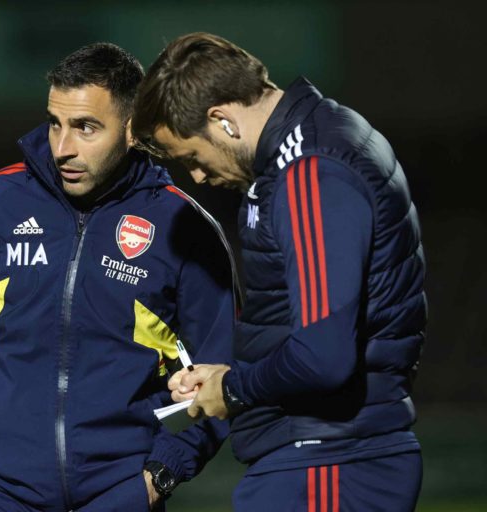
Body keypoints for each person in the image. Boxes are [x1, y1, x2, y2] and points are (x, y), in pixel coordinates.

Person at [0, 42, 238, 511]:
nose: (63, 148)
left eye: (86, 128)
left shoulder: (185, 228)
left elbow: (225, 372)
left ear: (133, 129)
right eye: (56, 123)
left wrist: (159, 475)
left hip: (120, 496)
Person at [132, 32, 427, 511]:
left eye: (191, 157)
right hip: (326, 461)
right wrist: (230, 374)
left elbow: (323, 356)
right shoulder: (316, 144)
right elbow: (307, 332)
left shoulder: (310, 169)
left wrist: (232, 388)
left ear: (222, 119)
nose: (198, 177)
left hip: (327, 465)